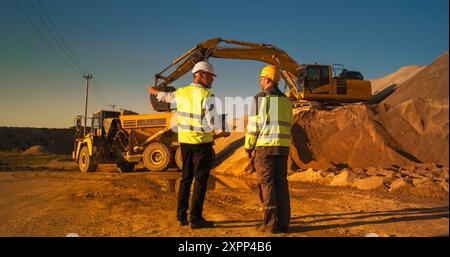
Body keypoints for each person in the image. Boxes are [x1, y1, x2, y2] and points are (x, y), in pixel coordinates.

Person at [147, 61, 217, 229]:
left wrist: (154, 92)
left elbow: (166, 97)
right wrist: (222, 129)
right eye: (210, 77)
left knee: (186, 178)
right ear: (200, 75)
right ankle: (196, 218)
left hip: (185, 143)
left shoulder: (182, 92)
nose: (212, 80)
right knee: (200, 181)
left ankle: (181, 216)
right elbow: (212, 123)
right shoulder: (208, 96)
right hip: (202, 144)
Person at [245, 65, 293, 234]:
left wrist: (248, 146)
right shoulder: (287, 101)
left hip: (265, 148)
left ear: (267, 80)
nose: (261, 82)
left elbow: (253, 126)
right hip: (283, 148)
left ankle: (270, 224)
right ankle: (284, 223)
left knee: (266, 185)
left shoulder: (259, 98)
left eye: (261, 79)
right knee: (281, 183)